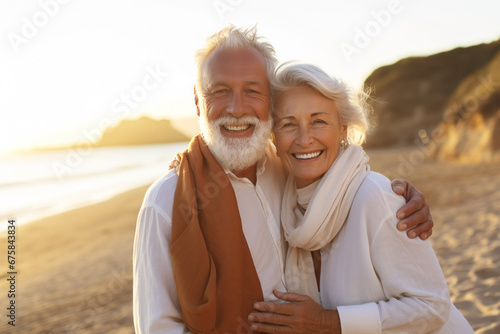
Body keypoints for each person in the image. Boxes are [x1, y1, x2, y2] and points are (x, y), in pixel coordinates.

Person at [133, 26, 434, 334]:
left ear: (269, 102)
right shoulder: (165, 202)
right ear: (198, 100)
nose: (237, 109)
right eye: (219, 91)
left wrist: (400, 199)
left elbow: (352, 185)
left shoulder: (286, 169)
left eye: (252, 90)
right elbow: (158, 327)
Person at [247, 63, 473, 333]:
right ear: (273, 136)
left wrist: (326, 322)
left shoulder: (375, 197)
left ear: (343, 130)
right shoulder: (286, 207)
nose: (304, 138)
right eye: (288, 124)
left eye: (318, 121)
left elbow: (433, 306)